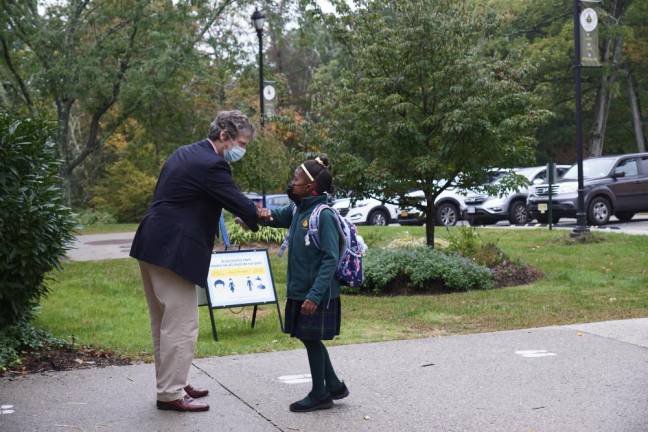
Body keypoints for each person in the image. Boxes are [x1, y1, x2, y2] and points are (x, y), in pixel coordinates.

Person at [130, 110, 261, 412]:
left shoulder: (185, 153)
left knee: (163, 322)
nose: (243, 150)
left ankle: (174, 381)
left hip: (151, 242)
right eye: (241, 142)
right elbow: (238, 202)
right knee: (182, 324)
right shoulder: (213, 164)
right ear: (224, 136)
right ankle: (171, 393)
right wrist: (256, 216)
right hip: (174, 250)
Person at [255, 155, 349, 412]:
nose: (291, 183)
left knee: (310, 338)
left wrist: (315, 295)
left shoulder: (323, 215)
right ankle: (333, 384)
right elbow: (277, 217)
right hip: (301, 289)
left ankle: (320, 393)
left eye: (296, 179)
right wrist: (255, 215)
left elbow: (330, 258)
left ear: (311, 188)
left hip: (315, 292)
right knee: (310, 338)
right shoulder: (299, 209)